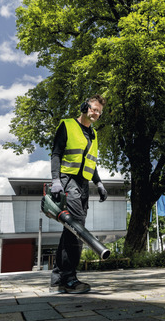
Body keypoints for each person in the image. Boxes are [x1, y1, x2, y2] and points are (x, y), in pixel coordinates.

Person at [50, 94, 107, 293]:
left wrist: (98, 182)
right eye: (93, 108)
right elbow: (56, 153)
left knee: (70, 229)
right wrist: (55, 180)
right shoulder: (67, 125)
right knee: (77, 227)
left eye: (99, 111)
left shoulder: (93, 134)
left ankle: (58, 279)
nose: (96, 113)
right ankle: (69, 279)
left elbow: (90, 161)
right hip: (67, 180)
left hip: (83, 184)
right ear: (84, 107)